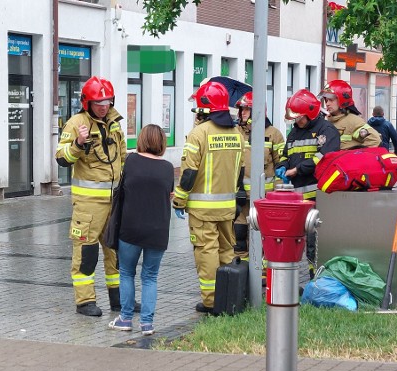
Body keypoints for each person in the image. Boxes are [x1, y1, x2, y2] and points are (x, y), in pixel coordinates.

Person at [55, 76, 126, 317]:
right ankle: (85, 302)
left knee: (115, 251)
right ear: (87, 102)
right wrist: (78, 143)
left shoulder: (115, 122)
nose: (104, 106)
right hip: (89, 204)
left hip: (114, 199)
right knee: (86, 252)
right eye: (98, 102)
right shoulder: (76, 123)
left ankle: (119, 300)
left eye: (107, 101)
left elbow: (122, 156)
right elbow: (61, 158)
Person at [173, 81, 245, 314]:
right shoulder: (237, 133)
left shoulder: (198, 134)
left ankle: (211, 300)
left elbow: (189, 173)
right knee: (226, 251)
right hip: (227, 207)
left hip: (202, 211)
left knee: (206, 252)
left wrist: (179, 201)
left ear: (205, 107)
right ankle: (229, 296)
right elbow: (240, 171)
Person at [107, 124, 174, 336]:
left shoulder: (132, 162)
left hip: (130, 229)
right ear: (162, 142)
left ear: (142, 140)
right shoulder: (168, 168)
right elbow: (169, 193)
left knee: (126, 273)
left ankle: (125, 319)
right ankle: (147, 324)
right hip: (158, 230)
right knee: (150, 276)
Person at [275, 89, 340, 278]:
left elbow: (322, 158)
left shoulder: (326, 131)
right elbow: (285, 153)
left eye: (299, 117)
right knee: (292, 239)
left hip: (317, 196)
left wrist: (296, 170)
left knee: (314, 241)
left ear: (310, 114)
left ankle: (315, 277)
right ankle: (288, 276)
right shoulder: (295, 132)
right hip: (296, 198)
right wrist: (282, 165)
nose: (296, 121)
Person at [233, 92, 285, 262]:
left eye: (247, 109)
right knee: (239, 233)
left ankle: (262, 266)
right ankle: (242, 265)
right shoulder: (235, 132)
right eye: (241, 110)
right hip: (240, 195)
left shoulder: (273, 134)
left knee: (263, 232)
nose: (243, 113)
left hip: (264, 196)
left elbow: (281, 163)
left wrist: (277, 194)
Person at [319, 80, 381, 149]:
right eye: (326, 100)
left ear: (342, 100)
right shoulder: (328, 121)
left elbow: (374, 139)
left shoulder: (353, 121)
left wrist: (355, 156)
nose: (327, 104)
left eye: (331, 100)